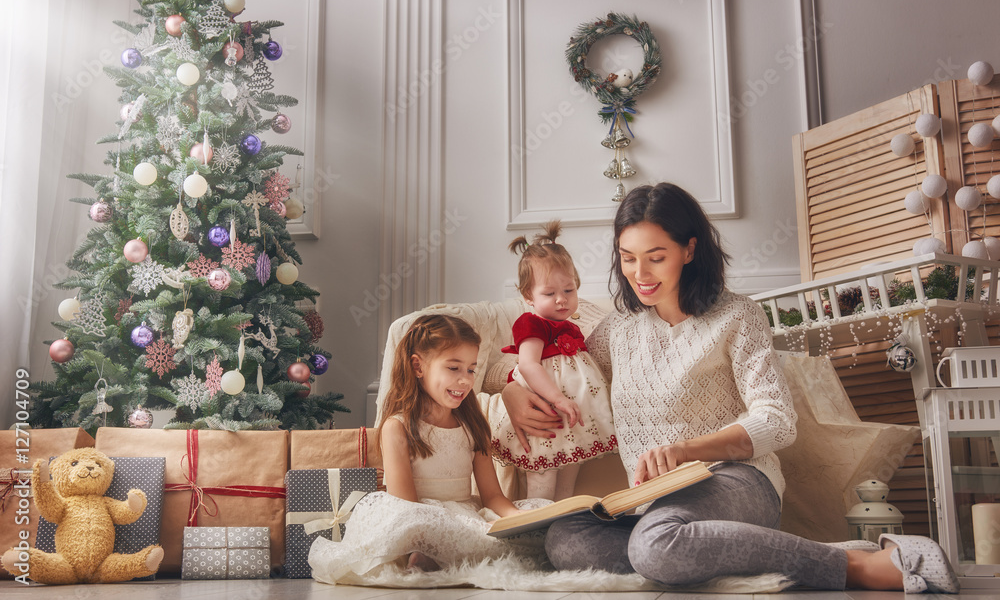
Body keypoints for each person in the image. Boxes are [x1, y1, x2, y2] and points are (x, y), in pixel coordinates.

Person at [500, 183, 959, 594]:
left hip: (737, 481)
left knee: (656, 545)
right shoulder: (619, 329)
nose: (640, 273)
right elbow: (564, 370)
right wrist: (512, 392)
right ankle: (691, 555)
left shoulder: (737, 316)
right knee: (566, 540)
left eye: (656, 256)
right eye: (627, 257)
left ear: (689, 249)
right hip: (654, 503)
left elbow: (777, 420)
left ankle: (852, 564)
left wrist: (687, 449)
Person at [309, 314, 546, 584]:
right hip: (416, 517)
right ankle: (423, 556)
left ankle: (447, 555)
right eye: (453, 368)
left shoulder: (473, 424)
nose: (465, 380)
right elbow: (406, 507)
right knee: (436, 532)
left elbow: (492, 496)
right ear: (418, 366)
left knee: (532, 524)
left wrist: (517, 518)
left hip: (463, 513)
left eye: (471, 369)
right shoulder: (397, 427)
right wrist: (436, 533)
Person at [491, 220, 617, 501]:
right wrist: (558, 399)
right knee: (543, 480)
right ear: (528, 296)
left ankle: (564, 525)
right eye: (549, 293)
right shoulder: (532, 324)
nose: (561, 300)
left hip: (573, 422)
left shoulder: (573, 326)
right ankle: (538, 531)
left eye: (569, 290)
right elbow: (528, 365)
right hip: (548, 412)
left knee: (569, 479)